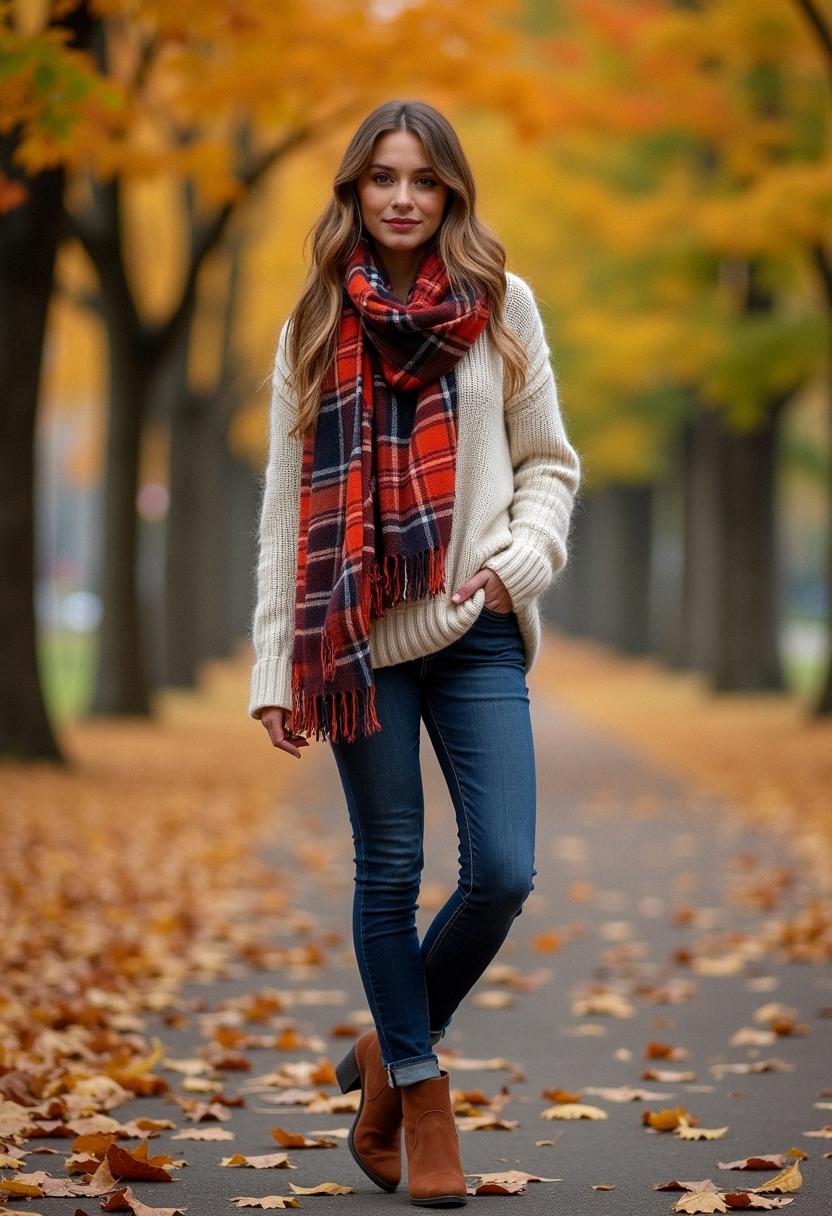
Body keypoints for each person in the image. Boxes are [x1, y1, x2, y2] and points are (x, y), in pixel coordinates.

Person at [249, 99, 582, 1207]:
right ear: (354, 190)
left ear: (451, 193)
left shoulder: (501, 305)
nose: (402, 198)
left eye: (423, 180)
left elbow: (549, 464)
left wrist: (519, 559)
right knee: (389, 868)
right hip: (360, 636)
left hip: (477, 623)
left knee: (502, 873)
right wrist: (274, 667)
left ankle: (384, 1057)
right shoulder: (312, 322)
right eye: (383, 178)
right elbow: (285, 512)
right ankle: (422, 1092)